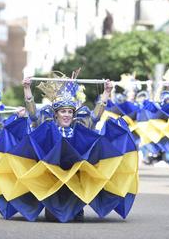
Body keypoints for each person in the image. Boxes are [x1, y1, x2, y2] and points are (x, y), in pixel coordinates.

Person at [22, 73, 113, 221]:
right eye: (63, 111)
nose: (67, 115)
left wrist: (107, 92)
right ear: (56, 114)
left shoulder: (80, 127)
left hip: (75, 174)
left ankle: (77, 207)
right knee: (52, 215)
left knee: (76, 211)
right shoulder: (47, 126)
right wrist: (27, 88)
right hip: (51, 175)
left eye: (70, 112)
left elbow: (95, 116)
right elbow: (33, 114)